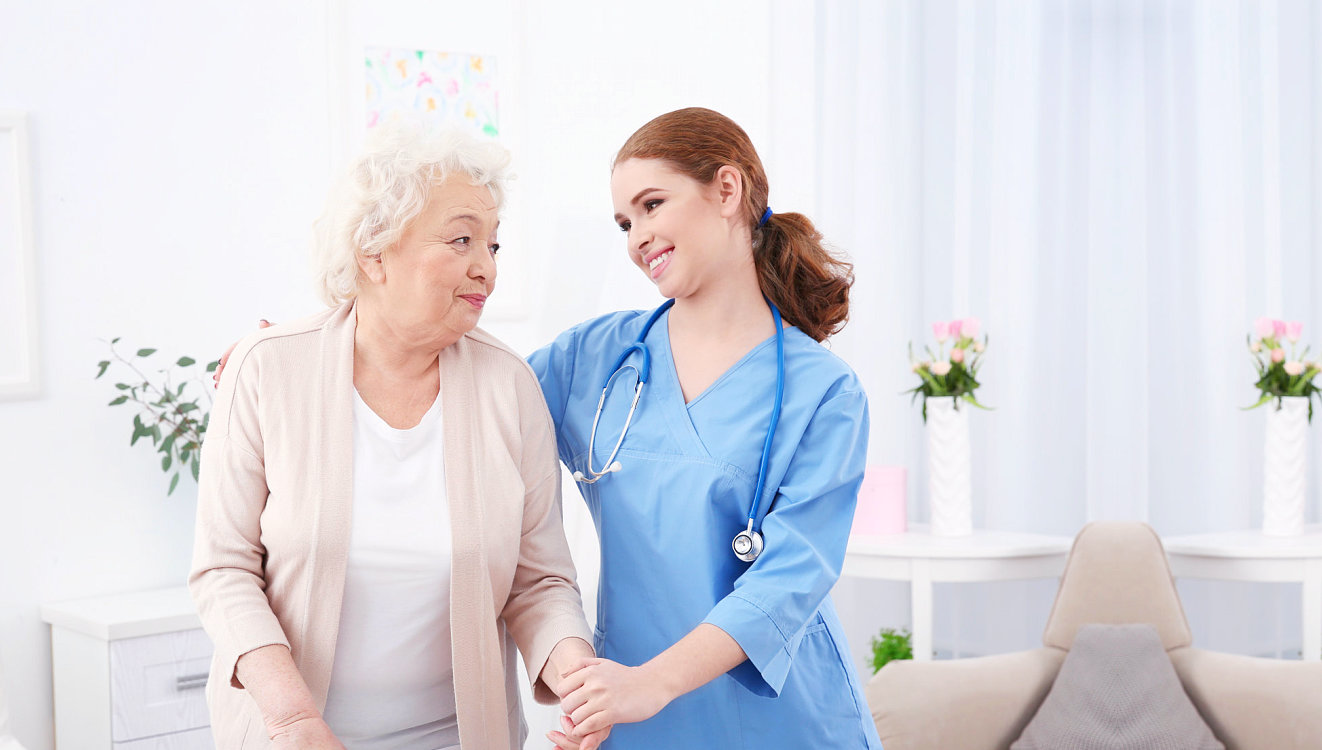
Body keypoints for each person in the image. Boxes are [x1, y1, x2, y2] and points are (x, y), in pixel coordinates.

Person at [190, 124, 605, 750]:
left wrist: (577, 679)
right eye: (462, 239)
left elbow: (539, 579)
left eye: (493, 246)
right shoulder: (267, 370)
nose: (485, 268)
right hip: (292, 735)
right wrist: (291, 719)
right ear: (374, 251)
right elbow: (224, 569)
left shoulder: (509, 385)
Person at [533, 107, 883, 749]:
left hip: (780, 722)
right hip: (634, 709)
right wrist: (317, 356)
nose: (637, 236)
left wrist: (653, 684)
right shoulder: (592, 358)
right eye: (624, 221)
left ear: (727, 190)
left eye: (652, 204)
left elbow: (787, 580)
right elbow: (471, 399)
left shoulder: (822, 393)